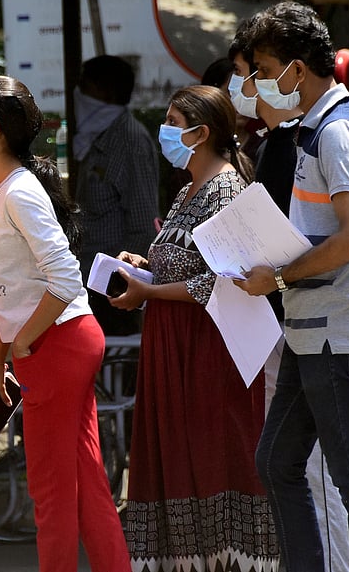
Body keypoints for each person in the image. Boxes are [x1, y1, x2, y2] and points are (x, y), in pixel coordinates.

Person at [231, 1, 349, 572]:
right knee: (279, 463)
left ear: (297, 71)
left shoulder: (336, 132)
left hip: (331, 329)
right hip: (317, 329)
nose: (256, 82)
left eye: (262, 67)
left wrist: (277, 276)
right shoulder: (323, 126)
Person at [0, 75, 129, 572]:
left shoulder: (18, 191)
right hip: (52, 343)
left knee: (51, 490)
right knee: (84, 480)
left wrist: (22, 346)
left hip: (58, 345)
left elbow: (66, 279)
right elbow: (9, 290)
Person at [108, 84, 277, 570]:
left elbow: (225, 283)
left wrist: (149, 292)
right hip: (173, 344)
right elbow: (185, 265)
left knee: (214, 454)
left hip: (209, 349)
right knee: (179, 457)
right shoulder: (187, 190)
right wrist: (143, 267)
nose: (165, 132)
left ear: (201, 134)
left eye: (172, 122)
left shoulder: (228, 190)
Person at [226, 21, 349, 572]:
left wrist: (274, 278)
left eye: (250, 73)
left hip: (312, 323)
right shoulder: (279, 143)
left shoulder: (322, 136)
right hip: (285, 320)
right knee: (290, 465)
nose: (246, 86)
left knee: (323, 472)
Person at [72, 55, 159, 336]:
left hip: (112, 288)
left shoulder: (130, 140)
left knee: (116, 368)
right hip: (86, 278)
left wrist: (126, 284)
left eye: (86, 86)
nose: (79, 94)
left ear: (105, 91)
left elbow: (143, 220)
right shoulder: (95, 136)